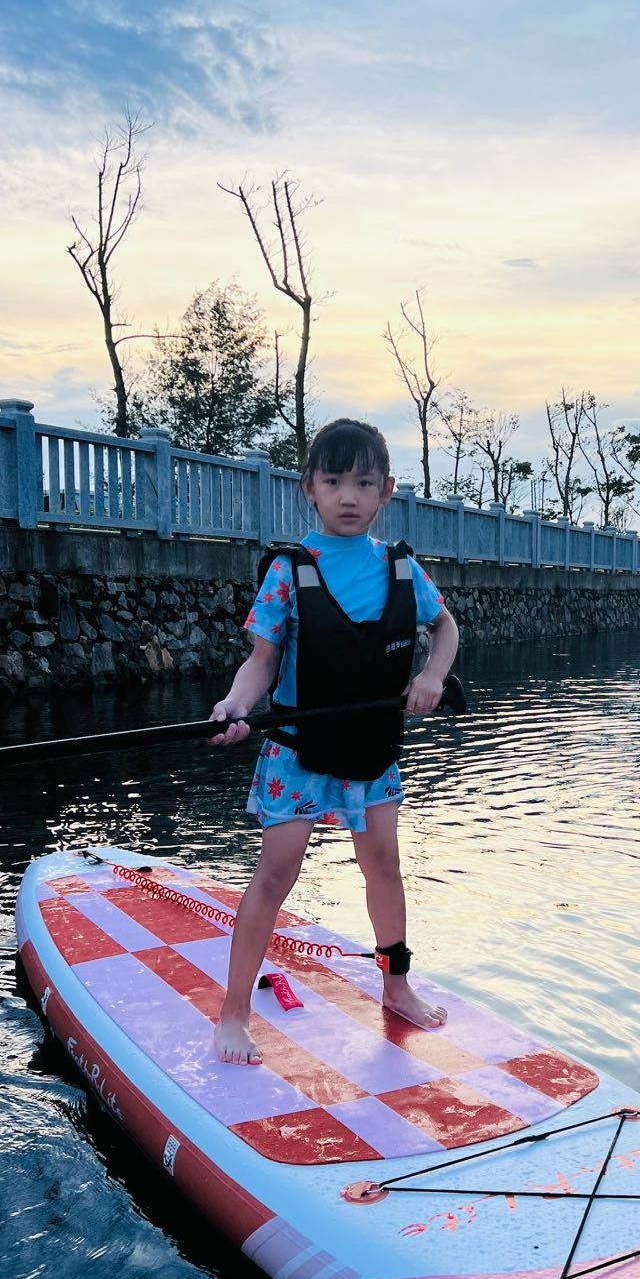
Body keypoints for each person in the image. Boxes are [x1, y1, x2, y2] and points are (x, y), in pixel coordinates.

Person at [207, 417, 460, 1065]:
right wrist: (236, 705)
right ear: (309, 489)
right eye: (335, 480)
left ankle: (396, 985)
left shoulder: (401, 567)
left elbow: (444, 626)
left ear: (386, 492)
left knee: (384, 868)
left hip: (373, 753)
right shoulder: (290, 572)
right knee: (275, 874)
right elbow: (262, 662)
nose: (349, 495)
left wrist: (433, 674)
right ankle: (233, 1014)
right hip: (299, 752)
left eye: (364, 482)